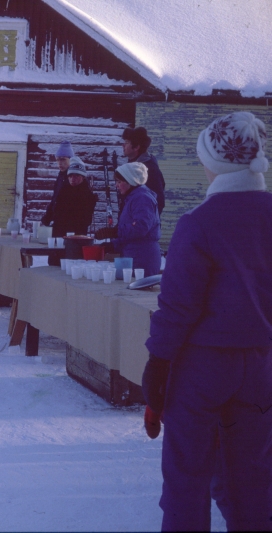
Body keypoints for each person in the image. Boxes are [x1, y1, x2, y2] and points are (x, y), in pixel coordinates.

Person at [142, 112, 272, 531]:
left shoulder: (199, 223)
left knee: (187, 478)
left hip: (203, 367)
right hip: (261, 366)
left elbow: (178, 306)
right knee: (253, 478)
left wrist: (157, 364)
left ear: (215, 163)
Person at [94, 162, 161, 276]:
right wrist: (113, 245)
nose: (116, 185)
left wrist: (115, 232)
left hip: (142, 259)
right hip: (133, 256)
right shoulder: (133, 198)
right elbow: (131, 236)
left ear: (130, 181)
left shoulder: (142, 198)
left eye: (119, 182)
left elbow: (140, 228)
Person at [43, 156, 97, 237]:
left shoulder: (87, 195)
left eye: (76, 176)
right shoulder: (64, 190)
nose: (73, 179)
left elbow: (85, 221)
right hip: (59, 234)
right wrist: (47, 219)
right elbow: (55, 207)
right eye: (70, 176)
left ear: (82, 177)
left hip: (77, 237)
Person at [121, 127, 166, 215]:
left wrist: (141, 223)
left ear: (136, 147)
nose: (123, 145)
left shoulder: (149, 170)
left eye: (127, 142)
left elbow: (159, 201)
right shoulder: (133, 166)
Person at [40, 140, 75, 227]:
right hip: (58, 223)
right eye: (58, 160)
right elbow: (54, 200)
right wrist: (47, 218)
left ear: (71, 159)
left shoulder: (75, 178)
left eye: (63, 159)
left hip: (70, 226)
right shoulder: (60, 176)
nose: (60, 163)